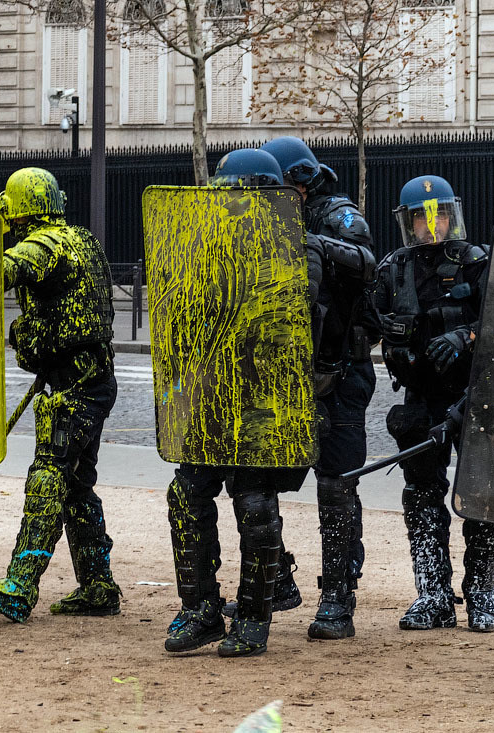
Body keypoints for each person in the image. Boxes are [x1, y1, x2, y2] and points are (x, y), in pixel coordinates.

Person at [162, 149, 323, 657]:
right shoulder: (201, 249)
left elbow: (292, 318)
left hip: (264, 395)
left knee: (255, 506)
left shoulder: (296, 249)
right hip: (211, 392)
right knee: (186, 494)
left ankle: (254, 618)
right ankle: (200, 610)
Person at [0, 167, 120, 623]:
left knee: (48, 477)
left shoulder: (45, 244)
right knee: (77, 487)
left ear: (16, 213)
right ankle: (98, 586)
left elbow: (3, 270)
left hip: (75, 388)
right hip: (87, 379)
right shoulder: (82, 239)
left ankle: (20, 584)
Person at [243, 136, 376, 641]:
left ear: (299, 183)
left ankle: (338, 596)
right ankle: (276, 579)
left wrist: (319, 246)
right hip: (286, 369)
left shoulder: (337, 215)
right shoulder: (272, 219)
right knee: (258, 477)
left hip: (340, 369)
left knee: (336, 485)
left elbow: (366, 260)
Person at [374, 175, 494, 632]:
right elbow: (367, 321)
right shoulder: (393, 268)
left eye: (440, 215)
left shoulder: (475, 262)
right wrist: (389, 333)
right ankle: (432, 593)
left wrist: (464, 336)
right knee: (422, 497)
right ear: (408, 223)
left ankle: (483, 591)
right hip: (421, 397)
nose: (433, 226)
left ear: (453, 215)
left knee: (479, 498)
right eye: (422, 218)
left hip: (473, 397)